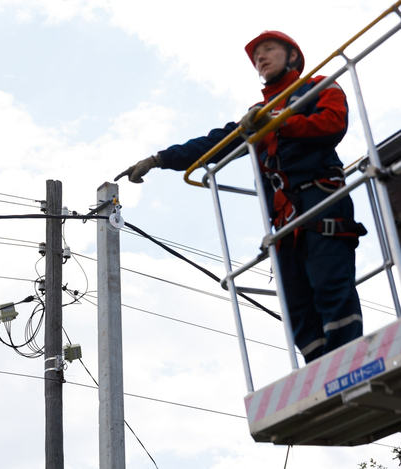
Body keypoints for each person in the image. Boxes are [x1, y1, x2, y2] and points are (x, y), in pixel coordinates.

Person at [115, 31, 366, 363]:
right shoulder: (257, 113)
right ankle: (318, 368)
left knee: (330, 285)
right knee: (297, 303)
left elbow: (332, 123)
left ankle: (347, 361)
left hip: (321, 203)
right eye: (256, 56)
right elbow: (215, 144)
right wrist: (160, 159)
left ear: (292, 56)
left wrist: (277, 122)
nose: (261, 58)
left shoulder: (318, 86)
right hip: (283, 222)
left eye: (269, 50)